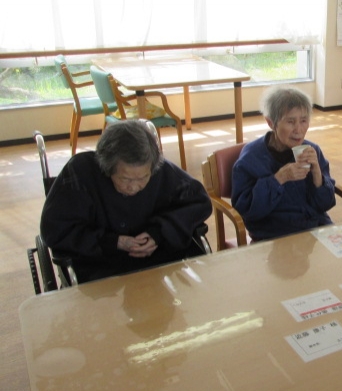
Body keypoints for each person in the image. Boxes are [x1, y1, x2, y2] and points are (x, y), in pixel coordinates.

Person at [40, 120, 213, 283]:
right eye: (126, 179)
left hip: (158, 263)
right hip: (99, 268)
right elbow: (54, 229)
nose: (134, 187)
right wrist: (113, 242)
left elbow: (198, 202)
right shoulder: (80, 173)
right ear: (107, 168)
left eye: (143, 178)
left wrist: (159, 233)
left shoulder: (160, 169)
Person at [232, 86, 336, 241]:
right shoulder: (251, 158)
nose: (298, 130)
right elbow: (247, 210)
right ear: (270, 122)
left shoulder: (312, 150)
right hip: (275, 235)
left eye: (303, 120)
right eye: (290, 122)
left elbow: (326, 204)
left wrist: (317, 174)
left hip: (315, 229)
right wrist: (279, 179)